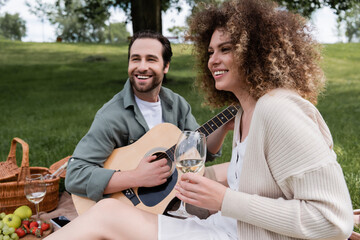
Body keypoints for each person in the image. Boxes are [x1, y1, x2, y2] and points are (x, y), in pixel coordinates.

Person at [47, 0, 354, 239]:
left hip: (238, 233)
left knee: (107, 215)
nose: (212, 60)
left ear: (257, 51)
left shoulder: (278, 111)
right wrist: (203, 185)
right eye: (210, 51)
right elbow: (251, 176)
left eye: (226, 49)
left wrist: (224, 200)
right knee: (108, 210)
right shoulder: (248, 112)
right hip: (228, 226)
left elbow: (332, 221)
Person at [65, 30, 224, 204]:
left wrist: (224, 127)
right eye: (135, 59)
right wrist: (136, 177)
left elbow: (200, 153)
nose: (141, 67)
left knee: (231, 174)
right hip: (131, 208)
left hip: (173, 195)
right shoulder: (111, 116)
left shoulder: (177, 104)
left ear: (166, 66)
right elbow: (75, 175)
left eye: (151, 59)